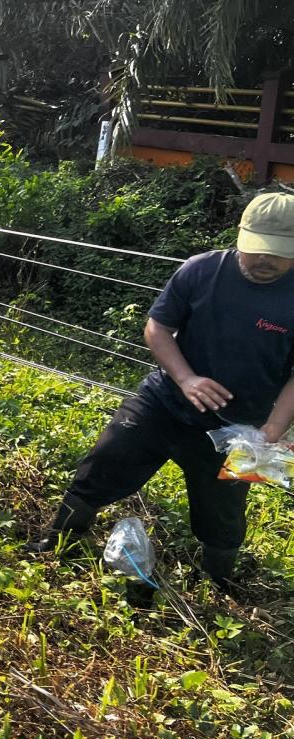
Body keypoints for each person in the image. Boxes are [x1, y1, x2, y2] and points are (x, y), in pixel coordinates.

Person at [28, 193, 294, 591]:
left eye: (278, 253)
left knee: (222, 512)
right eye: (257, 249)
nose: (265, 261)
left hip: (237, 427)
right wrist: (186, 378)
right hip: (164, 401)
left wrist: (274, 426)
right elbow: (157, 328)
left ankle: (218, 581)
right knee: (103, 463)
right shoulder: (201, 271)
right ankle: (58, 537)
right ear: (241, 235)